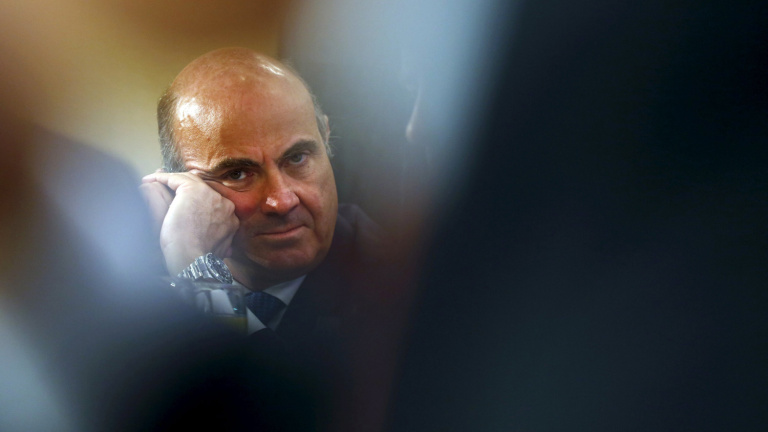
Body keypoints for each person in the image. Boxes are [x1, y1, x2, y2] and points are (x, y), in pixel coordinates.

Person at [140, 47, 390, 430]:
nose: (282, 200)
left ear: (326, 139)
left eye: (297, 158)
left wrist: (196, 272)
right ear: (181, 190)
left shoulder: (395, 282)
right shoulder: (141, 307)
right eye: (238, 174)